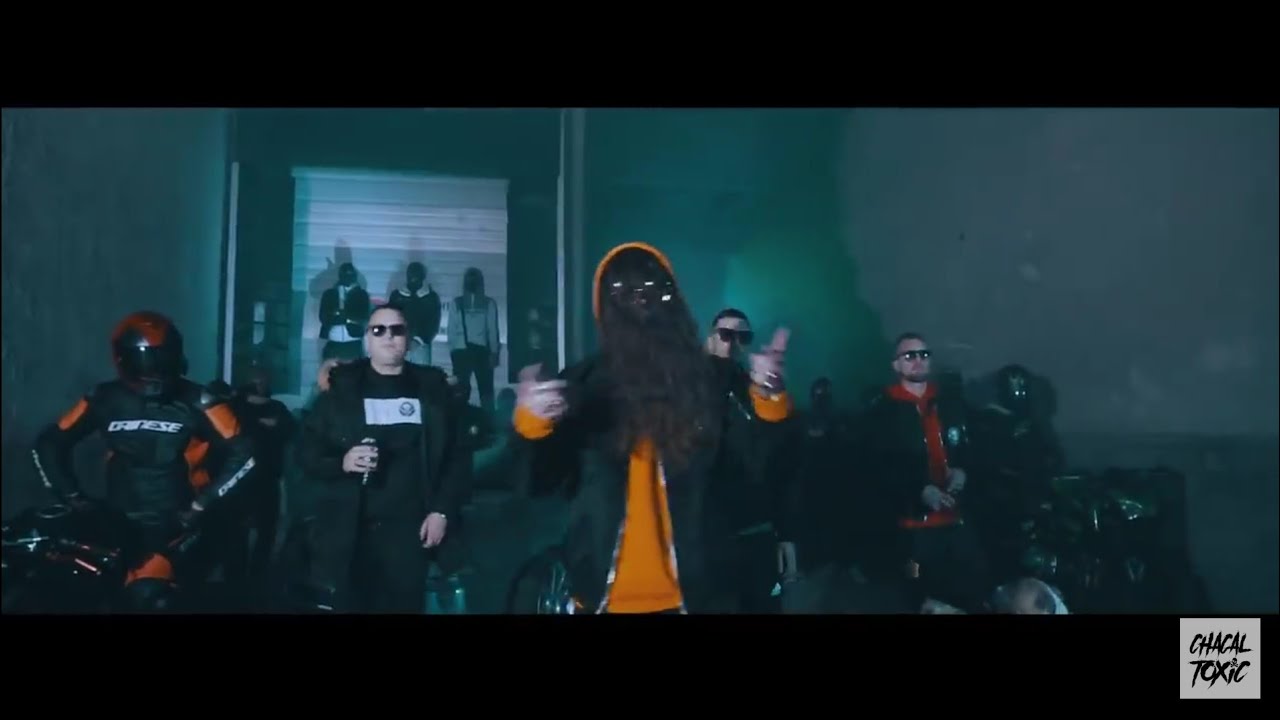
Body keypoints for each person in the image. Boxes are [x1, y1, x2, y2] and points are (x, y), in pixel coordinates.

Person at [512, 243, 792, 614]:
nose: (641, 302)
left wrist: (769, 398)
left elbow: (759, 467)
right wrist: (533, 422)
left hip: (701, 596)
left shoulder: (712, 382)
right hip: (603, 600)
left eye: (653, 290)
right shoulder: (583, 384)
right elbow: (538, 483)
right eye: (624, 293)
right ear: (605, 308)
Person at [31, 311, 256, 606]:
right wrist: (71, 496)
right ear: (122, 360)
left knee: (150, 595)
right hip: (116, 521)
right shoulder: (104, 398)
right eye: (144, 363)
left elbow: (245, 453)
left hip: (178, 523)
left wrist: (202, 504)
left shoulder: (200, 401)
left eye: (162, 361)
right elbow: (49, 444)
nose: (154, 372)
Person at [297, 304, 469, 612]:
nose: (388, 336)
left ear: (409, 339)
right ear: (367, 339)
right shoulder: (342, 389)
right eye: (379, 330)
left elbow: (456, 458)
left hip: (411, 529)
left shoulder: (432, 392)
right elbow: (307, 452)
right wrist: (342, 462)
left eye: (397, 330)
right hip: (351, 529)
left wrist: (441, 512)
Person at [859, 332, 990, 612]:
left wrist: (963, 472)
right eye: (910, 356)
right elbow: (877, 469)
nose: (918, 360)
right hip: (913, 530)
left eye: (924, 354)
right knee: (917, 596)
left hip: (957, 522)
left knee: (969, 593)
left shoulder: (950, 403)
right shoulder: (882, 411)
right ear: (896, 365)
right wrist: (919, 490)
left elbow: (973, 449)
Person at [447, 267, 501, 413]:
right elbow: (492, 330)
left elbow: (492, 330)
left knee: (483, 391)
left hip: (474, 352)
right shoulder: (460, 303)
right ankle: (466, 419)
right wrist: (494, 352)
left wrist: (494, 352)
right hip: (469, 351)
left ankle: (485, 420)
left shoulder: (487, 303)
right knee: (467, 392)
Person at [387, 262, 442, 367]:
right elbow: (391, 320)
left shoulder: (431, 297)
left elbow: (434, 323)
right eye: (411, 276)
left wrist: (419, 340)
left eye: (416, 276)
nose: (413, 279)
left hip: (421, 346)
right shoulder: (396, 296)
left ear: (422, 277)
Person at [319, 262, 370, 361]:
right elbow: (323, 316)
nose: (347, 277)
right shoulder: (329, 294)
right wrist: (339, 318)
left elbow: (363, 316)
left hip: (353, 341)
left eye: (350, 274)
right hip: (333, 341)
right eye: (345, 273)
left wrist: (345, 317)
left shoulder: (361, 295)